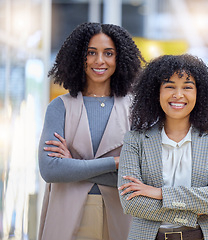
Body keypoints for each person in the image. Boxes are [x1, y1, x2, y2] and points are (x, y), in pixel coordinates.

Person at [38, 22, 144, 240]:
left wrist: (74, 167)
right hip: (66, 213)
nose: (99, 61)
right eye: (91, 53)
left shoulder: (135, 108)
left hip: (120, 213)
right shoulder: (60, 107)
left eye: (108, 53)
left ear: (120, 58)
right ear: (79, 57)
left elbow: (141, 178)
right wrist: (116, 163)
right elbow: (50, 171)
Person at [118, 54, 208, 240]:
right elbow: (132, 203)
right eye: (169, 86)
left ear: (200, 93)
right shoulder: (135, 140)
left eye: (187, 87)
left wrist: (159, 193)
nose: (178, 94)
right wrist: (197, 210)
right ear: (155, 91)